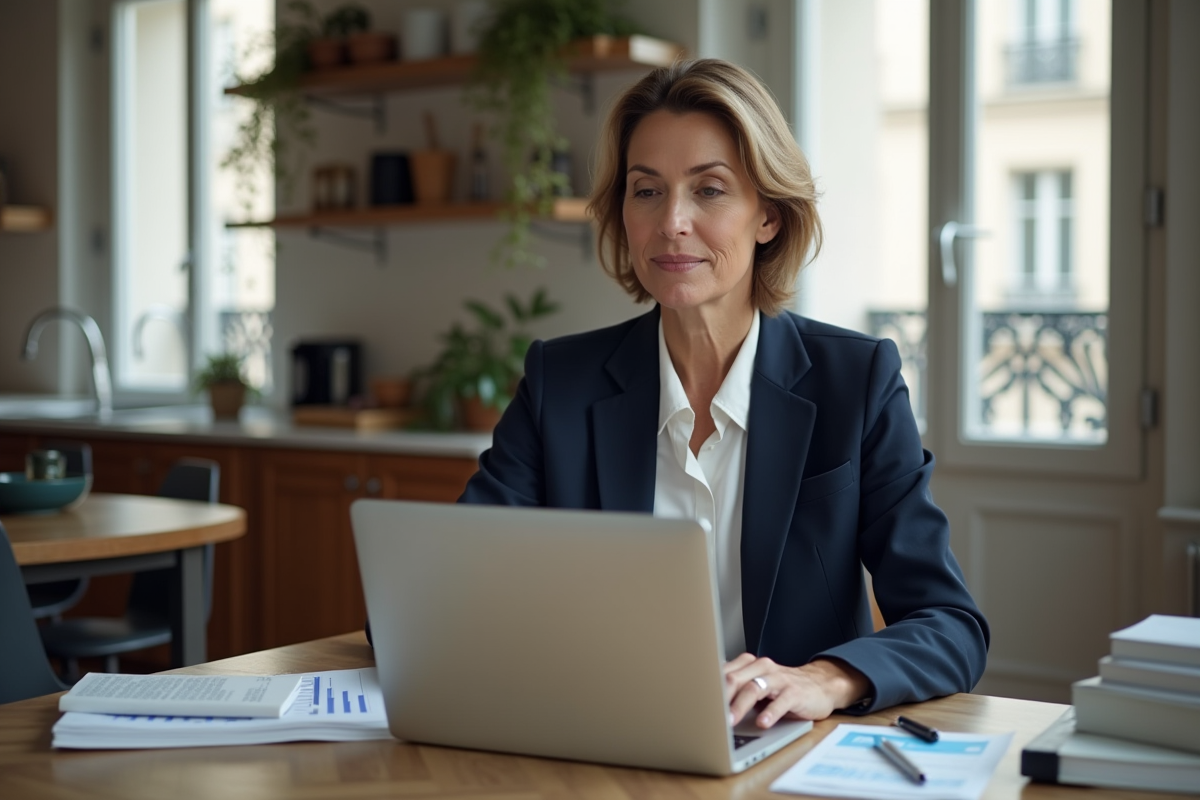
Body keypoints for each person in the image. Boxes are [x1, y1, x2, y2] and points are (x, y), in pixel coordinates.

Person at [459, 59, 989, 730]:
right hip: (603, 736)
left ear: (768, 216)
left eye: (709, 190)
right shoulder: (559, 382)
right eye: (646, 191)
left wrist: (824, 679)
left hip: (785, 746)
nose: (672, 221)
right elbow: (445, 596)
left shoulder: (856, 381)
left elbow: (950, 625)